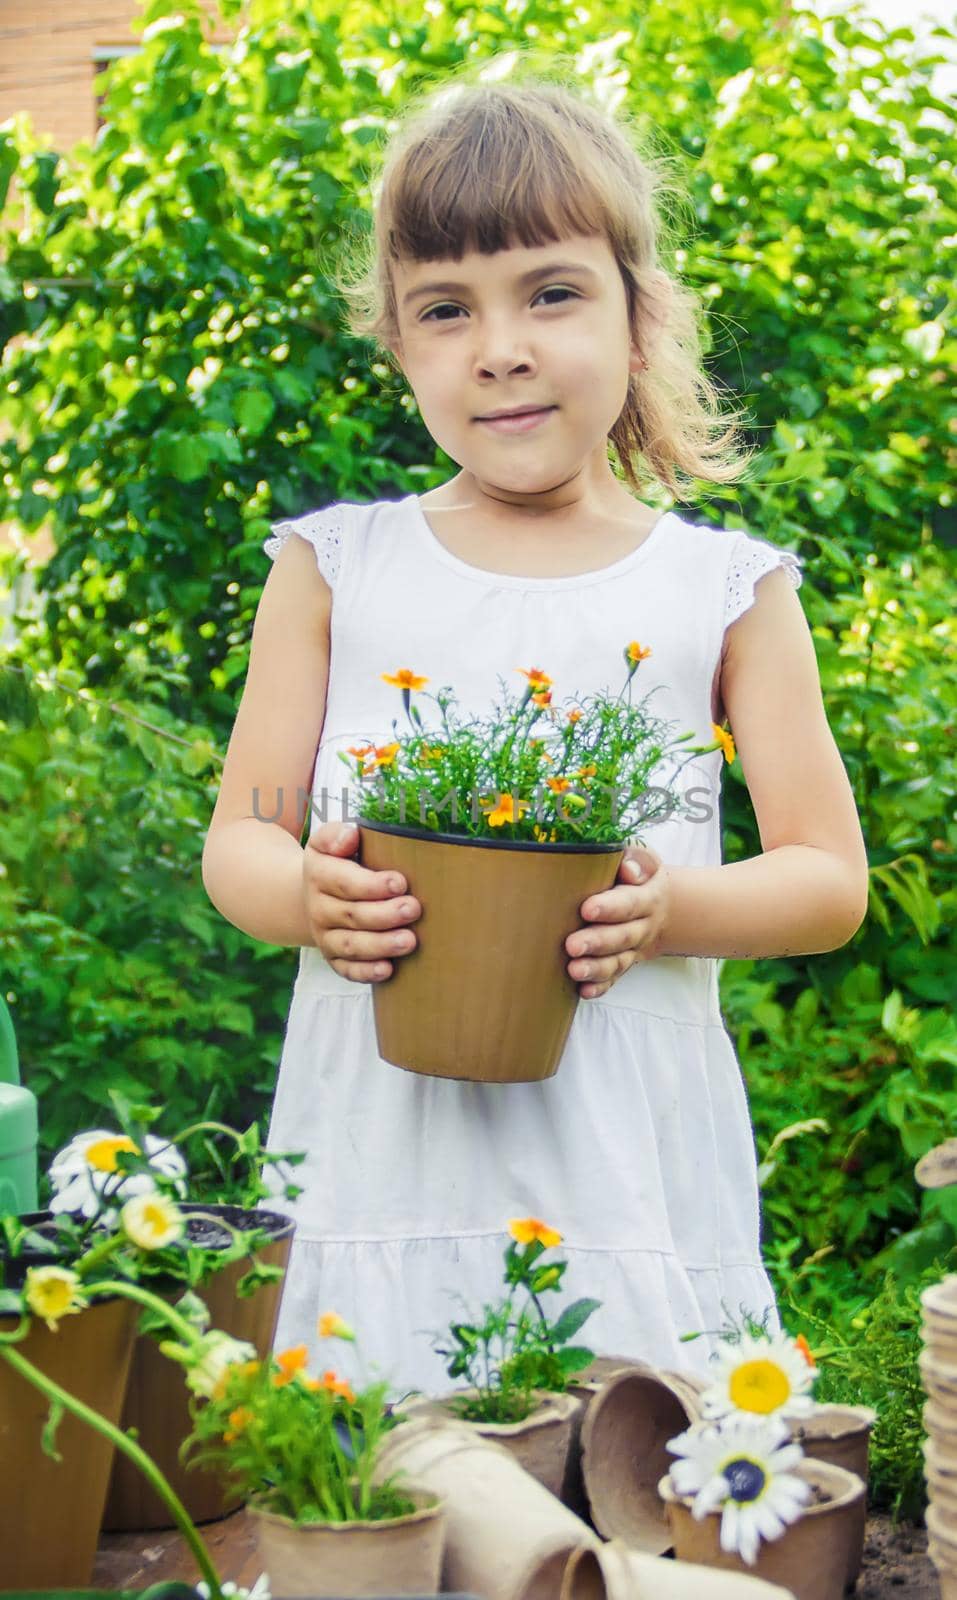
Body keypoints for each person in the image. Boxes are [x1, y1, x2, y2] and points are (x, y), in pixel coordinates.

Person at [200, 67, 869, 1394]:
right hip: (382, 1163)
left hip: (625, 1163)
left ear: (637, 322)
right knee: (381, 1504)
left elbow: (825, 879)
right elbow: (243, 839)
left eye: (549, 291)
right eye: (444, 309)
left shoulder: (720, 589)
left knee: (630, 1505)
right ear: (397, 346)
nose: (497, 346)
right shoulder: (336, 568)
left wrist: (665, 911)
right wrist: (311, 897)